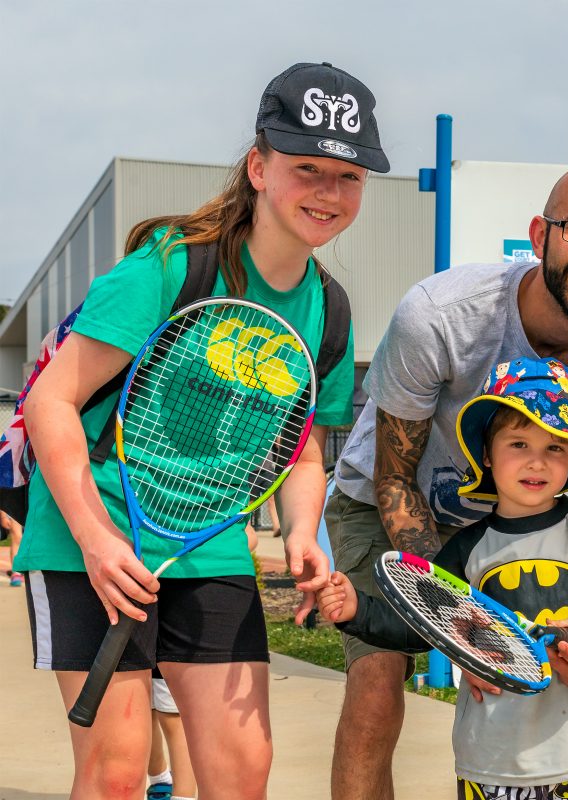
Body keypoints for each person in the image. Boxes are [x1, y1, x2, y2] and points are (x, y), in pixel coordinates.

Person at [14, 61, 387, 798]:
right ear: (258, 165)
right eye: (306, 167)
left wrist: (302, 533)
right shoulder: (168, 268)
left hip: (206, 542)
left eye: (347, 176)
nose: (328, 191)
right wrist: (96, 540)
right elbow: (51, 402)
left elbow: (303, 443)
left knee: (241, 773)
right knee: (117, 774)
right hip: (93, 531)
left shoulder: (330, 311)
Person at [325, 160, 568, 798]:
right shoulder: (441, 314)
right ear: (539, 235)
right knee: (377, 687)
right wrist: (459, 623)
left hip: (518, 521)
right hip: (388, 505)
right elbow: (395, 479)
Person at [319, 357, 568, 798]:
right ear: (487, 453)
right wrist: (357, 611)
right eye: (519, 445)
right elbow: (424, 625)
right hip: (489, 760)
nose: (537, 463)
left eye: (554, 448)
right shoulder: (466, 549)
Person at [146, 671, 196, 800]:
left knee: (172, 717)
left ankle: (182, 795)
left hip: (171, 657)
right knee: (142, 711)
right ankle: (160, 781)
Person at [2, 509, 20, 587]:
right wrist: (3, 516)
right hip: (15, 507)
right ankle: (16, 573)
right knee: (17, 537)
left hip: (32, 505)